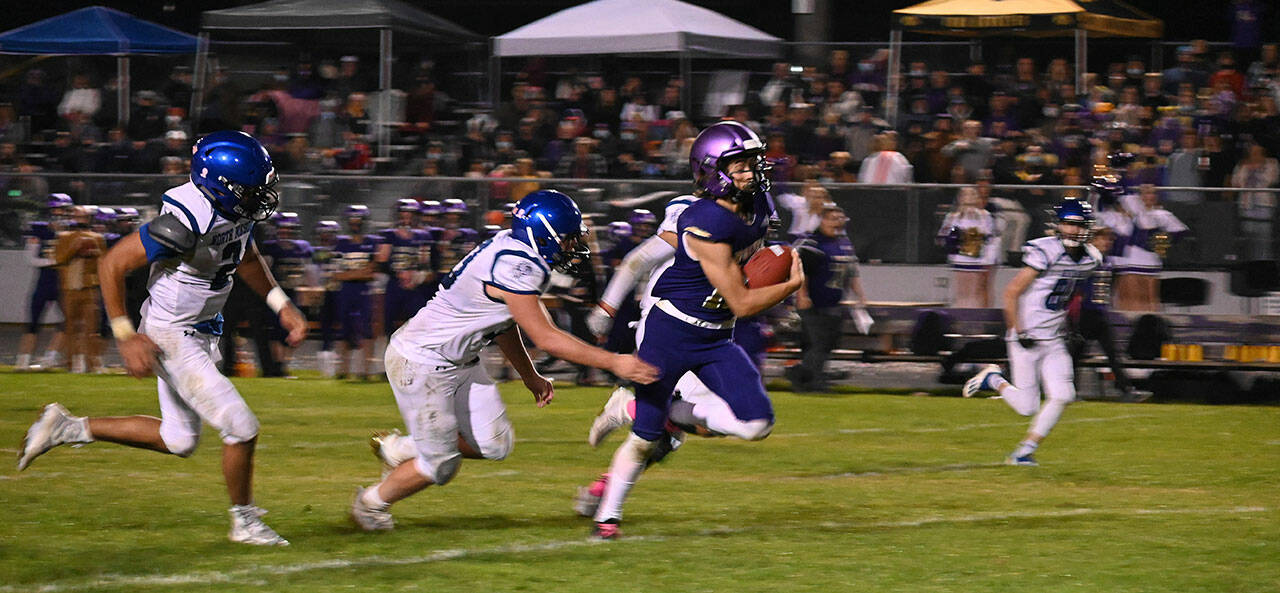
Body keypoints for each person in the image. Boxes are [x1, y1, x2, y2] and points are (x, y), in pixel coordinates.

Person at [17, 131, 305, 545]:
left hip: (199, 329)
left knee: (179, 439)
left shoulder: (232, 208)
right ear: (222, 186)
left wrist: (281, 303)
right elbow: (112, 264)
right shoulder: (186, 219)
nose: (261, 197)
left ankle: (67, 428)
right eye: (252, 189)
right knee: (241, 427)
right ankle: (244, 521)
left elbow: (243, 255)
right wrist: (125, 335)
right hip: (171, 334)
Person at [349, 190, 658, 532]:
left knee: (494, 443)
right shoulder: (517, 265)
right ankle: (371, 504)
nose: (573, 248)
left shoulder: (514, 251)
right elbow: (546, 337)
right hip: (423, 361)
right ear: (544, 234)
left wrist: (529, 375)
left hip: (457, 359)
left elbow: (503, 323)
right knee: (440, 465)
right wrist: (615, 362)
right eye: (568, 240)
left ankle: (399, 448)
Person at [584, 121, 803, 539]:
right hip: (672, 332)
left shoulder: (758, 203)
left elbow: (746, 278)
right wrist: (789, 286)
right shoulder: (703, 221)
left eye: (752, 162)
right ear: (712, 170)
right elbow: (741, 299)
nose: (752, 172)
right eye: (739, 165)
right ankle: (607, 518)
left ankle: (660, 412)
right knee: (646, 437)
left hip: (717, 333)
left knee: (757, 424)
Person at [963, 198, 1101, 466]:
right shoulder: (1044, 251)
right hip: (1027, 337)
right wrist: (1018, 330)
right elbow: (1012, 292)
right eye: (1068, 224)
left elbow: (1073, 295)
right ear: (1058, 225)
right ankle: (994, 379)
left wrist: (1071, 325)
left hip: (1054, 340)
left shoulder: (1091, 259)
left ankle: (1024, 451)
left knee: (1064, 395)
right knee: (1027, 407)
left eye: (1078, 225)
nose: (1073, 230)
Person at [787, 202, 871, 392]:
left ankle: (799, 375)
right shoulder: (812, 244)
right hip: (814, 302)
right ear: (822, 220)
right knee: (818, 344)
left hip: (834, 302)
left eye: (840, 218)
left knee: (828, 343)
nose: (837, 222)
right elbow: (801, 272)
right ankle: (814, 381)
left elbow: (851, 272)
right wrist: (802, 296)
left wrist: (860, 295)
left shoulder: (844, 243)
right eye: (833, 218)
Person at [16, 194, 69, 370]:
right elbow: (30, 259)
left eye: (64, 210)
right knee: (33, 323)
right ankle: (23, 360)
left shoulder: (71, 231)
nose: (60, 213)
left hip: (64, 283)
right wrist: (55, 262)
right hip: (45, 281)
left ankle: (50, 358)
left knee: (69, 322)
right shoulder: (39, 229)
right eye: (58, 209)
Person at [53, 206, 107, 373]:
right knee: (71, 328)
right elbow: (58, 259)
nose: (80, 219)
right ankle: (72, 363)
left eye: (83, 216)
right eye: (77, 216)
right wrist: (74, 248)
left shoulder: (97, 237)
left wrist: (94, 251)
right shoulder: (64, 238)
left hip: (89, 287)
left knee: (91, 328)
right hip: (69, 288)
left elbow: (104, 261)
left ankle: (93, 364)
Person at [1119, 184, 1189, 311]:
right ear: (1140, 196)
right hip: (1130, 259)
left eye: (1152, 193)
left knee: (1150, 298)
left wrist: (1161, 242)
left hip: (1150, 261)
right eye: (1146, 193)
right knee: (1129, 297)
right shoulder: (1132, 210)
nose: (1150, 196)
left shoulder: (1162, 215)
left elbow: (1180, 232)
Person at [332, 204, 383, 379]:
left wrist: (352, 274)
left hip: (364, 290)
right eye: (352, 220)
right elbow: (337, 275)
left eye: (358, 220)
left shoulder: (371, 242)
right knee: (344, 329)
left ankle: (366, 370)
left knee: (367, 329)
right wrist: (359, 273)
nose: (355, 223)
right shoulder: (341, 243)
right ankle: (343, 369)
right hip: (347, 291)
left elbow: (372, 272)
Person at [261, 211, 313, 375]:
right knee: (275, 331)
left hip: (294, 292)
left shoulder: (302, 248)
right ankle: (277, 365)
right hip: (277, 293)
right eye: (283, 229)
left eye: (289, 229)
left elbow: (308, 270)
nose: (286, 232)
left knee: (292, 331)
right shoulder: (272, 248)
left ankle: (284, 364)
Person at [937, 186, 1002, 307]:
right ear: (960, 198)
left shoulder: (984, 215)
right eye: (966, 195)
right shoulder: (952, 217)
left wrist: (988, 259)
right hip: (960, 259)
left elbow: (990, 236)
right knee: (961, 291)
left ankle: (975, 317)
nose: (969, 198)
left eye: (972, 194)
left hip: (977, 259)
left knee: (976, 291)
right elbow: (943, 236)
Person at [381, 198, 434, 336]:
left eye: (410, 216)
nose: (407, 220)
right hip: (395, 281)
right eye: (403, 216)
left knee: (417, 320)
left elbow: (425, 263)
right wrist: (399, 274)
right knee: (389, 320)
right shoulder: (390, 235)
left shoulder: (424, 235)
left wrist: (416, 277)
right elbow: (382, 261)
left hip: (415, 284)